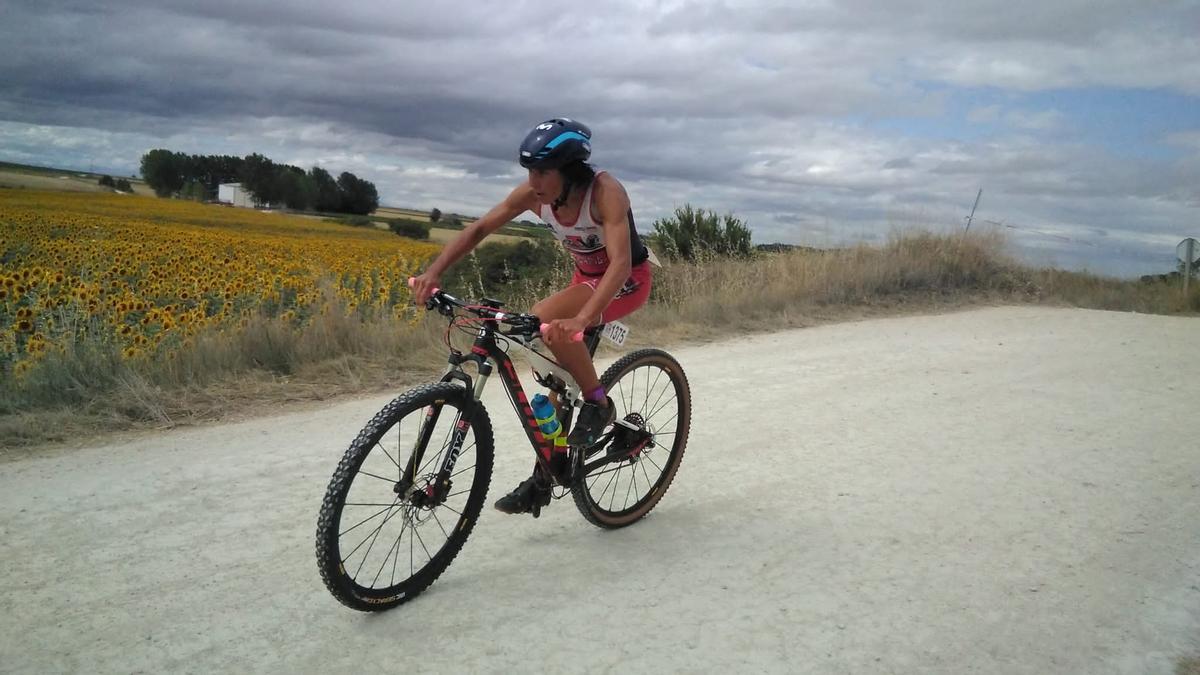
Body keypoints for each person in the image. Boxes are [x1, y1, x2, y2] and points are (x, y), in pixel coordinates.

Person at [410, 117, 654, 514]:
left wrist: (582, 320)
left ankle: (598, 402)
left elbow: (621, 265)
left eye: (542, 171)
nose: (533, 180)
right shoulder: (534, 195)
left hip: (625, 283)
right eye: (529, 171)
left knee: (549, 327)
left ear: (569, 170)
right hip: (586, 279)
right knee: (548, 362)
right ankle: (546, 474)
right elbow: (479, 230)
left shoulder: (606, 192)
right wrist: (433, 273)